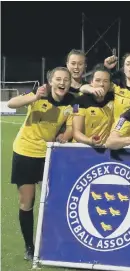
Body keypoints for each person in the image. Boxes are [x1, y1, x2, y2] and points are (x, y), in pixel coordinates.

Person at [7, 67, 75, 260]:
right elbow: (12, 103)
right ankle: (30, 247)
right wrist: (33, 98)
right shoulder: (40, 93)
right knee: (27, 202)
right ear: (50, 81)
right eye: (58, 79)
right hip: (25, 153)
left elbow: (72, 124)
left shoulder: (72, 102)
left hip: (49, 155)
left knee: (53, 201)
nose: (62, 82)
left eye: (66, 80)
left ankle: (54, 244)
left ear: (69, 83)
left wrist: (65, 135)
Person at [86, 53, 130, 121]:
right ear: (124, 69)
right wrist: (90, 88)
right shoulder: (115, 86)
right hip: (115, 130)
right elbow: (84, 87)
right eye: (127, 64)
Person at [71, 66, 115, 146]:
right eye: (98, 80)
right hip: (81, 148)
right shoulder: (78, 101)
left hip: (104, 150)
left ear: (110, 84)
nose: (101, 84)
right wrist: (89, 141)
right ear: (91, 82)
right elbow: (76, 132)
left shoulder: (114, 99)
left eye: (105, 81)